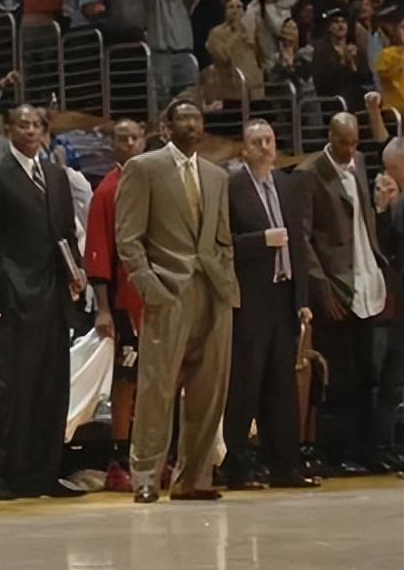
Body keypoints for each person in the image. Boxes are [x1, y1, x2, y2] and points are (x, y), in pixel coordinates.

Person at [115, 98, 239, 503]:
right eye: (183, 117)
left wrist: (227, 280)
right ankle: (146, 476)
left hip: (215, 290)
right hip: (168, 290)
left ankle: (194, 477)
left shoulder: (217, 175)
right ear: (166, 127)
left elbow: (223, 236)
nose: (191, 123)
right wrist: (150, 286)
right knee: (157, 388)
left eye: (197, 117)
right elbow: (128, 237)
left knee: (209, 390)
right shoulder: (144, 168)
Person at [0, 105, 86, 499]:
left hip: (55, 296)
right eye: (23, 124)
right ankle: (1, 473)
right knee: (15, 388)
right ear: (7, 129)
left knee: (52, 386)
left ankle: (45, 471)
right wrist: (9, 289)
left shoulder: (56, 175)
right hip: (19, 300)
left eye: (37, 124)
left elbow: (65, 234)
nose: (32, 131)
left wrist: (76, 273)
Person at [222, 120, 317, 490]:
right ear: (244, 149)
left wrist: (302, 298)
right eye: (257, 142)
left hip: (283, 295)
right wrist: (261, 240)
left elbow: (299, 243)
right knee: (246, 385)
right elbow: (224, 244)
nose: (265, 147)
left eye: (269, 141)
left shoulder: (285, 184)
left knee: (282, 387)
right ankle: (237, 469)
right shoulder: (233, 186)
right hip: (250, 299)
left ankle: (285, 467)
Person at [294, 112, 389, 472]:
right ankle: (337, 453)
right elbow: (302, 238)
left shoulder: (360, 162)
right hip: (335, 285)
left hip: (365, 282)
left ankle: (365, 451)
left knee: (366, 373)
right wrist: (321, 286)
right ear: (329, 137)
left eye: (353, 143)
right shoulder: (308, 172)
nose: (349, 150)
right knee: (338, 378)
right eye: (342, 143)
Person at [83, 118, 146, 489]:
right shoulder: (107, 191)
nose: (129, 143)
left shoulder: (156, 182)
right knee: (127, 378)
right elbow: (98, 253)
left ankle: (154, 451)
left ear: (144, 140)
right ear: (113, 144)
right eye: (122, 138)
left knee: (160, 379)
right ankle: (119, 457)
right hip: (125, 301)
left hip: (160, 298)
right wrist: (104, 308)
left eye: (134, 137)